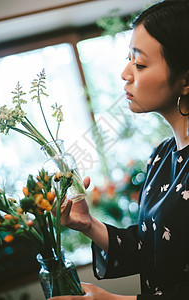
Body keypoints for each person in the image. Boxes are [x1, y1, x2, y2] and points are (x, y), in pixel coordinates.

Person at [50, 0, 189, 299]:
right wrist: (88, 225)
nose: (125, 73)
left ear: (185, 79)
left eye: (139, 64)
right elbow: (151, 249)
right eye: (128, 59)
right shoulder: (162, 155)